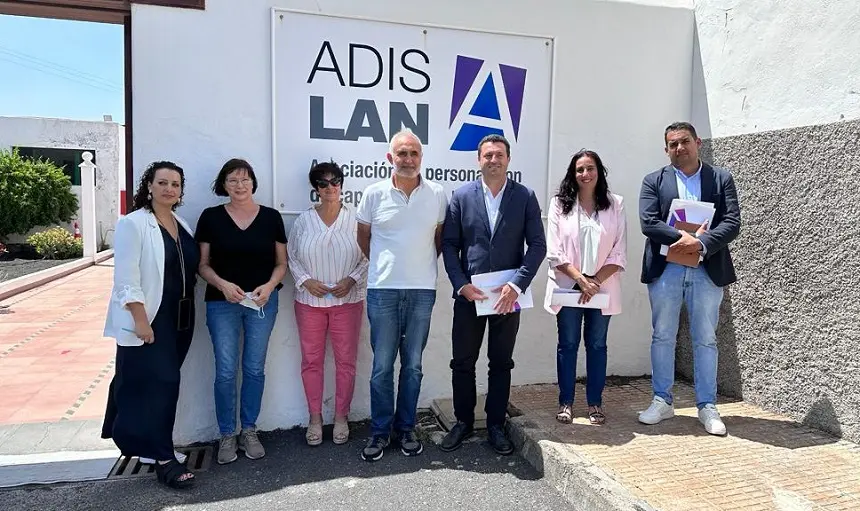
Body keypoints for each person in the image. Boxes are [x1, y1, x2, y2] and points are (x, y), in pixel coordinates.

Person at [440, 134, 546, 455]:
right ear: (478, 160)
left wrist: (517, 284)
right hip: (470, 296)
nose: (493, 160)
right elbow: (449, 245)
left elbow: (538, 246)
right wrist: (461, 284)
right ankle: (463, 422)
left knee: (501, 363)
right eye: (487, 155)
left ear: (508, 160)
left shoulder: (525, 196)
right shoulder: (461, 197)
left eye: (499, 155)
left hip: (507, 298)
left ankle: (496, 425)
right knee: (462, 362)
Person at [638, 121, 740, 436]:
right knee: (662, 336)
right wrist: (683, 238)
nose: (679, 148)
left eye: (684, 142)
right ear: (666, 149)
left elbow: (732, 221)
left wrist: (701, 244)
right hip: (666, 268)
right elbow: (648, 221)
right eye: (672, 144)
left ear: (697, 142)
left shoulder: (720, 178)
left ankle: (707, 406)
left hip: (706, 269)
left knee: (705, 338)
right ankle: (662, 401)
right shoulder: (654, 180)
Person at [102, 161, 199, 489]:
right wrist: (141, 322)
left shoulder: (180, 223)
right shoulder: (133, 224)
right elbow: (126, 280)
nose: (169, 188)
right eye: (163, 182)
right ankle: (163, 459)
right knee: (163, 384)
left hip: (182, 319)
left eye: (175, 183)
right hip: (152, 319)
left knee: (163, 385)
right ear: (149, 186)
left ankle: (156, 446)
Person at [355, 129, 448, 462]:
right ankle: (380, 432)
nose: (408, 159)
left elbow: (440, 240)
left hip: (422, 291)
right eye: (402, 153)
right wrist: (388, 268)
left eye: (414, 153)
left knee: (413, 366)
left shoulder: (437, 194)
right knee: (381, 367)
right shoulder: (373, 194)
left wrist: (416, 267)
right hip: (382, 291)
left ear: (421, 158)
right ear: (389, 158)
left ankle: (406, 428)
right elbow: (363, 238)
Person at [196, 158, 287, 464]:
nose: (239, 186)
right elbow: (202, 265)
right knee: (224, 371)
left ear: (253, 183)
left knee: (254, 369)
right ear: (223, 185)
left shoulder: (272, 217)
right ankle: (226, 434)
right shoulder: (210, 217)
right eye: (232, 180)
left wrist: (270, 286)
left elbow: (281, 263)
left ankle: (248, 429)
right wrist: (222, 285)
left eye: (245, 179)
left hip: (261, 304)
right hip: (222, 304)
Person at [543, 150, 627, 426]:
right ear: (573, 174)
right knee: (567, 344)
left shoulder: (615, 204)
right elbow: (554, 252)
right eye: (579, 169)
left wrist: (595, 282)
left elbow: (619, 252)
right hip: (569, 286)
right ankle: (565, 402)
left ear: (599, 171)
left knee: (597, 345)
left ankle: (595, 404)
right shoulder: (559, 204)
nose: (585, 174)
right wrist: (581, 280)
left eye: (590, 168)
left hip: (602, 289)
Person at [288, 161, 368, 446]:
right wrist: (306, 280)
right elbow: (292, 256)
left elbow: (368, 255)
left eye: (335, 181)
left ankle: (342, 416)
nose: (331, 187)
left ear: (342, 184)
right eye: (323, 183)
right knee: (311, 361)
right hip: (310, 301)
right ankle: (314, 418)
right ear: (316, 189)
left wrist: (352, 279)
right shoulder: (303, 221)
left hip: (348, 300)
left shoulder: (357, 219)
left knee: (346, 362)